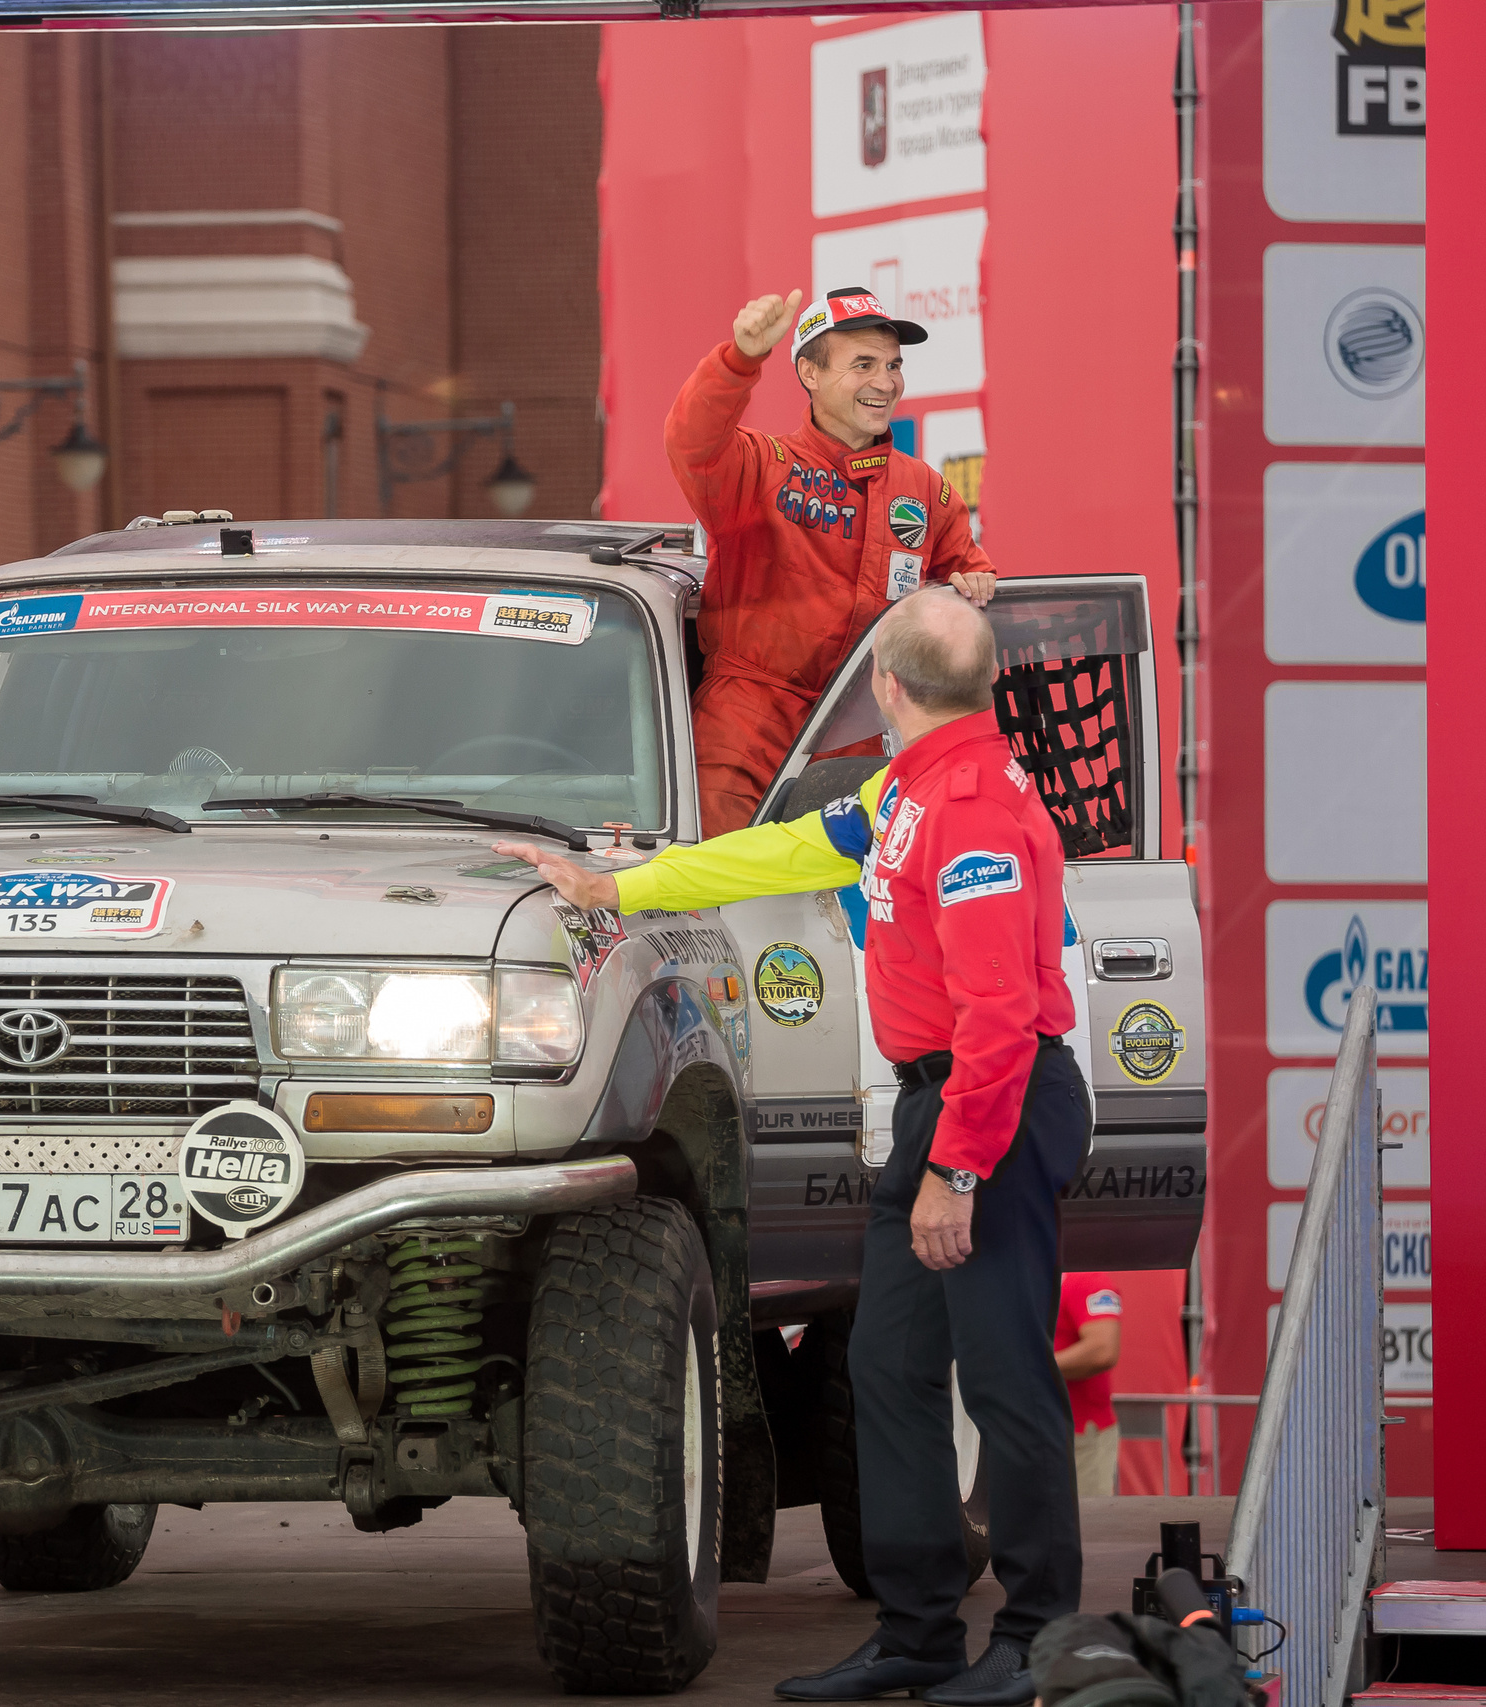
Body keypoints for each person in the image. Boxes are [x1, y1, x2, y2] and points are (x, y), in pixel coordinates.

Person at [496, 587, 1086, 1707]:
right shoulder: (905, 788)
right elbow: (775, 855)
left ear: (885, 686)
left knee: (1006, 1379)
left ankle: (1036, 1638)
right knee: (886, 1365)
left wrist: (956, 1170)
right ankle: (916, 1635)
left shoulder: (968, 806)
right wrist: (616, 890)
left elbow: (1001, 1017)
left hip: (987, 1107)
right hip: (939, 1106)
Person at [669, 285, 998, 838]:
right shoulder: (762, 466)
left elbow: (969, 572)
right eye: (863, 364)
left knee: (844, 916)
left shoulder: (926, 490)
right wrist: (740, 358)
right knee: (720, 902)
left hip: (859, 739)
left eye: (893, 365)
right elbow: (692, 443)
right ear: (810, 373)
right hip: (746, 732)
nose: (885, 382)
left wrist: (975, 585)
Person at [1055, 1274, 1124, 1498]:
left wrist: (1027, 1369)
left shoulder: (1086, 1280)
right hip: (1038, 1430)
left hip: (1080, 1433)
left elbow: (1103, 1350)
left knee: (1086, 1522)